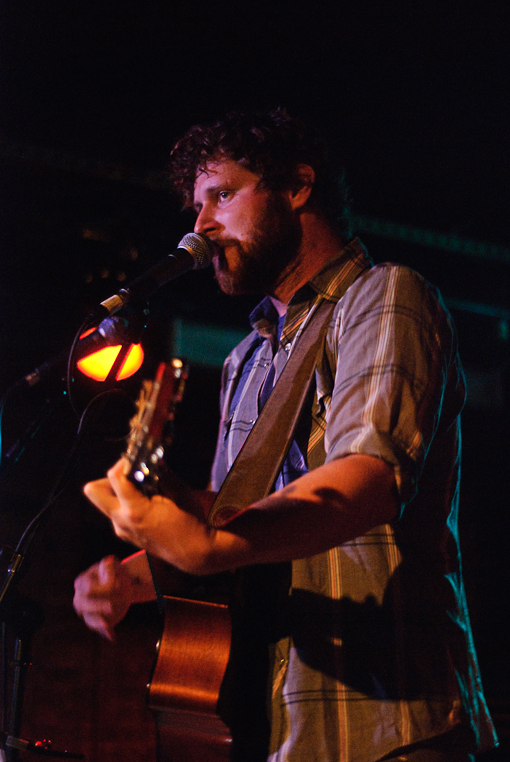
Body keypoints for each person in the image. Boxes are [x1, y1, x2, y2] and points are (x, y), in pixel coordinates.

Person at [73, 109, 497, 761]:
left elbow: (368, 478)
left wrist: (209, 544)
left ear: (298, 187)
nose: (201, 225)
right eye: (195, 204)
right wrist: (131, 578)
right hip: (272, 721)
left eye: (222, 194)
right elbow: (230, 516)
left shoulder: (385, 297)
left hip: (389, 722)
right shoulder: (247, 356)